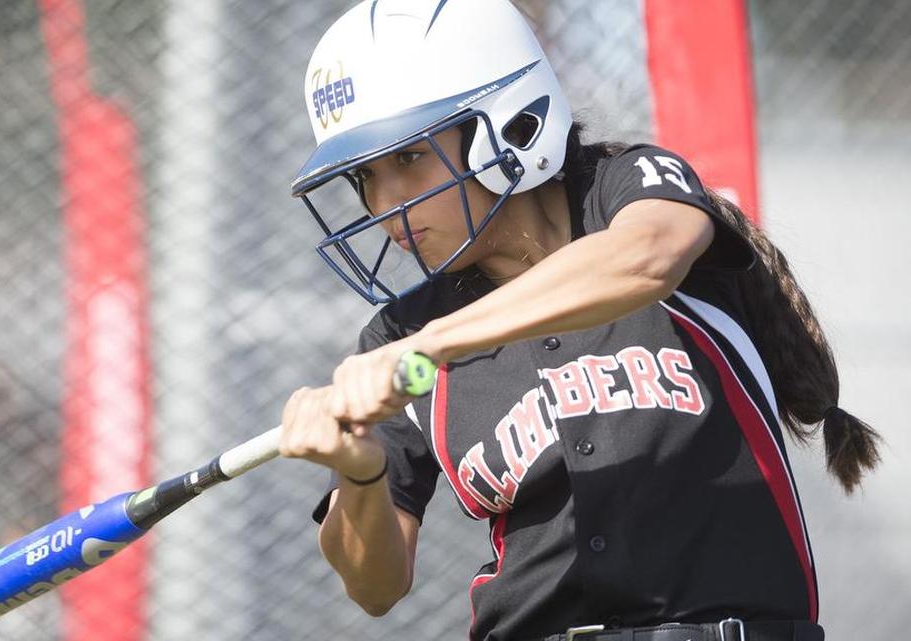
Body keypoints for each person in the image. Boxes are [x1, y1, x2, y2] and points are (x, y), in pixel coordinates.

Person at [277, 1, 881, 640]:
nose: (385, 205)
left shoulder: (632, 190)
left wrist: (430, 348)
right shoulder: (397, 335)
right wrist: (359, 469)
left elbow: (648, 257)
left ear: (511, 122)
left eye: (408, 160)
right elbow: (375, 587)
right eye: (367, 177)